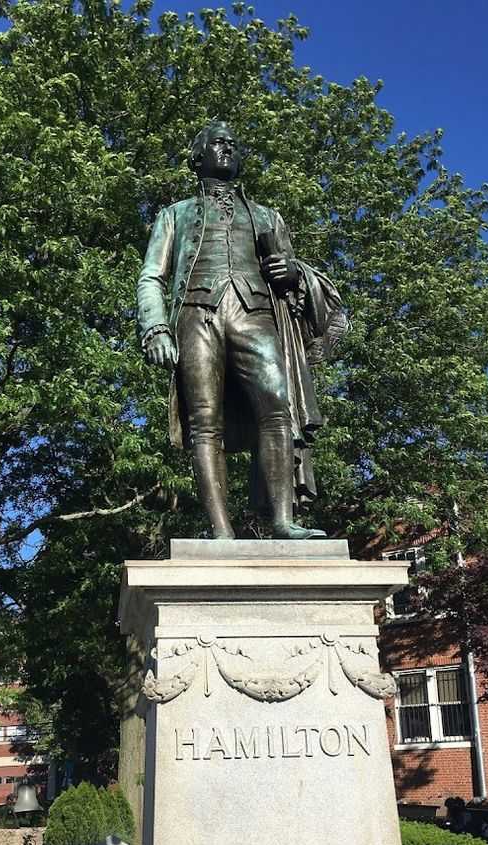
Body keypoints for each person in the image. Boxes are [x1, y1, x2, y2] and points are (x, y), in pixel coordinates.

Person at [137, 119, 347, 539]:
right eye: (218, 143)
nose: (228, 149)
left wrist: (292, 272)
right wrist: (156, 327)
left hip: (257, 314)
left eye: (234, 143)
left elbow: (294, 280)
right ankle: (222, 531)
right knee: (204, 420)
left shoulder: (268, 217)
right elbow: (151, 277)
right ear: (198, 158)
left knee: (277, 407)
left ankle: (283, 520)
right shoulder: (174, 216)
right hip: (197, 313)